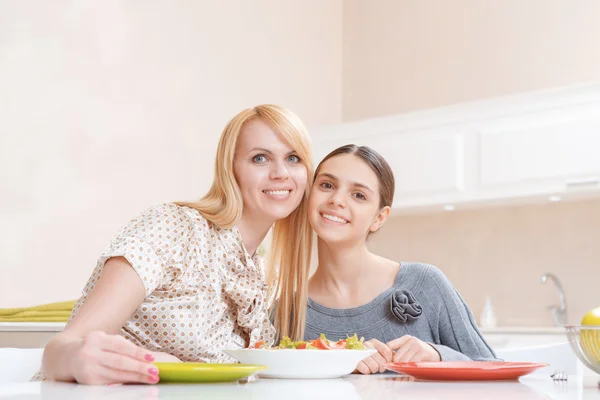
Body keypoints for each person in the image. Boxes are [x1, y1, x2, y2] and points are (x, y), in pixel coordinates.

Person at [38, 105, 314, 384]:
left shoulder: (259, 275)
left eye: (293, 158)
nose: (281, 172)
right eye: (260, 158)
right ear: (231, 169)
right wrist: (88, 359)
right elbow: (59, 350)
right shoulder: (175, 228)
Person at [305, 144, 498, 374]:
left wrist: (437, 355)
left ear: (379, 217)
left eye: (359, 195)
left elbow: (496, 372)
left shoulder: (426, 283)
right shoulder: (286, 309)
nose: (337, 199)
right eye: (327, 185)